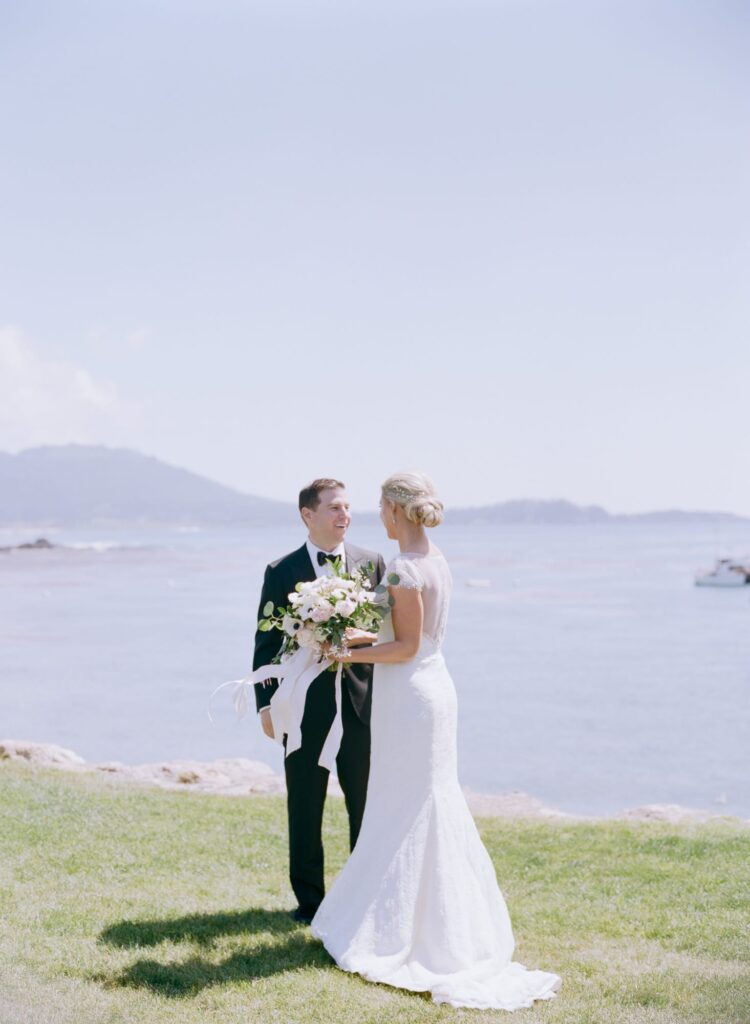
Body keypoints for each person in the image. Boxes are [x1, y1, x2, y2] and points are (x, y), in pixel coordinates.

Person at [310, 471, 562, 1010]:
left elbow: (402, 647)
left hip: (413, 695)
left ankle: (414, 935)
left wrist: (343, 655)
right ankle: (417, 921)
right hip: (430, 689)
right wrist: (333, 628)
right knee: (416, 803)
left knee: (412, 806)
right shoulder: (435, 559)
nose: (377, 516)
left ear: (396, 513)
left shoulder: (403, 568)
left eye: (380, 508)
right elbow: (399, 632)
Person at [253, 478, 385, 924]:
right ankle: (309, 903)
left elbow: (388, 636)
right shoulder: (281, 571)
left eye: (347, 507)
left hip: (361, 703)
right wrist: (265, 705)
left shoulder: (372, 564)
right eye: (333, 508)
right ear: (308, 515)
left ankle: (364, 895)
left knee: (365, 803)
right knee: (304, 803)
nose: (344, 515)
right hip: (304, 707)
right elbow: (265, 643)